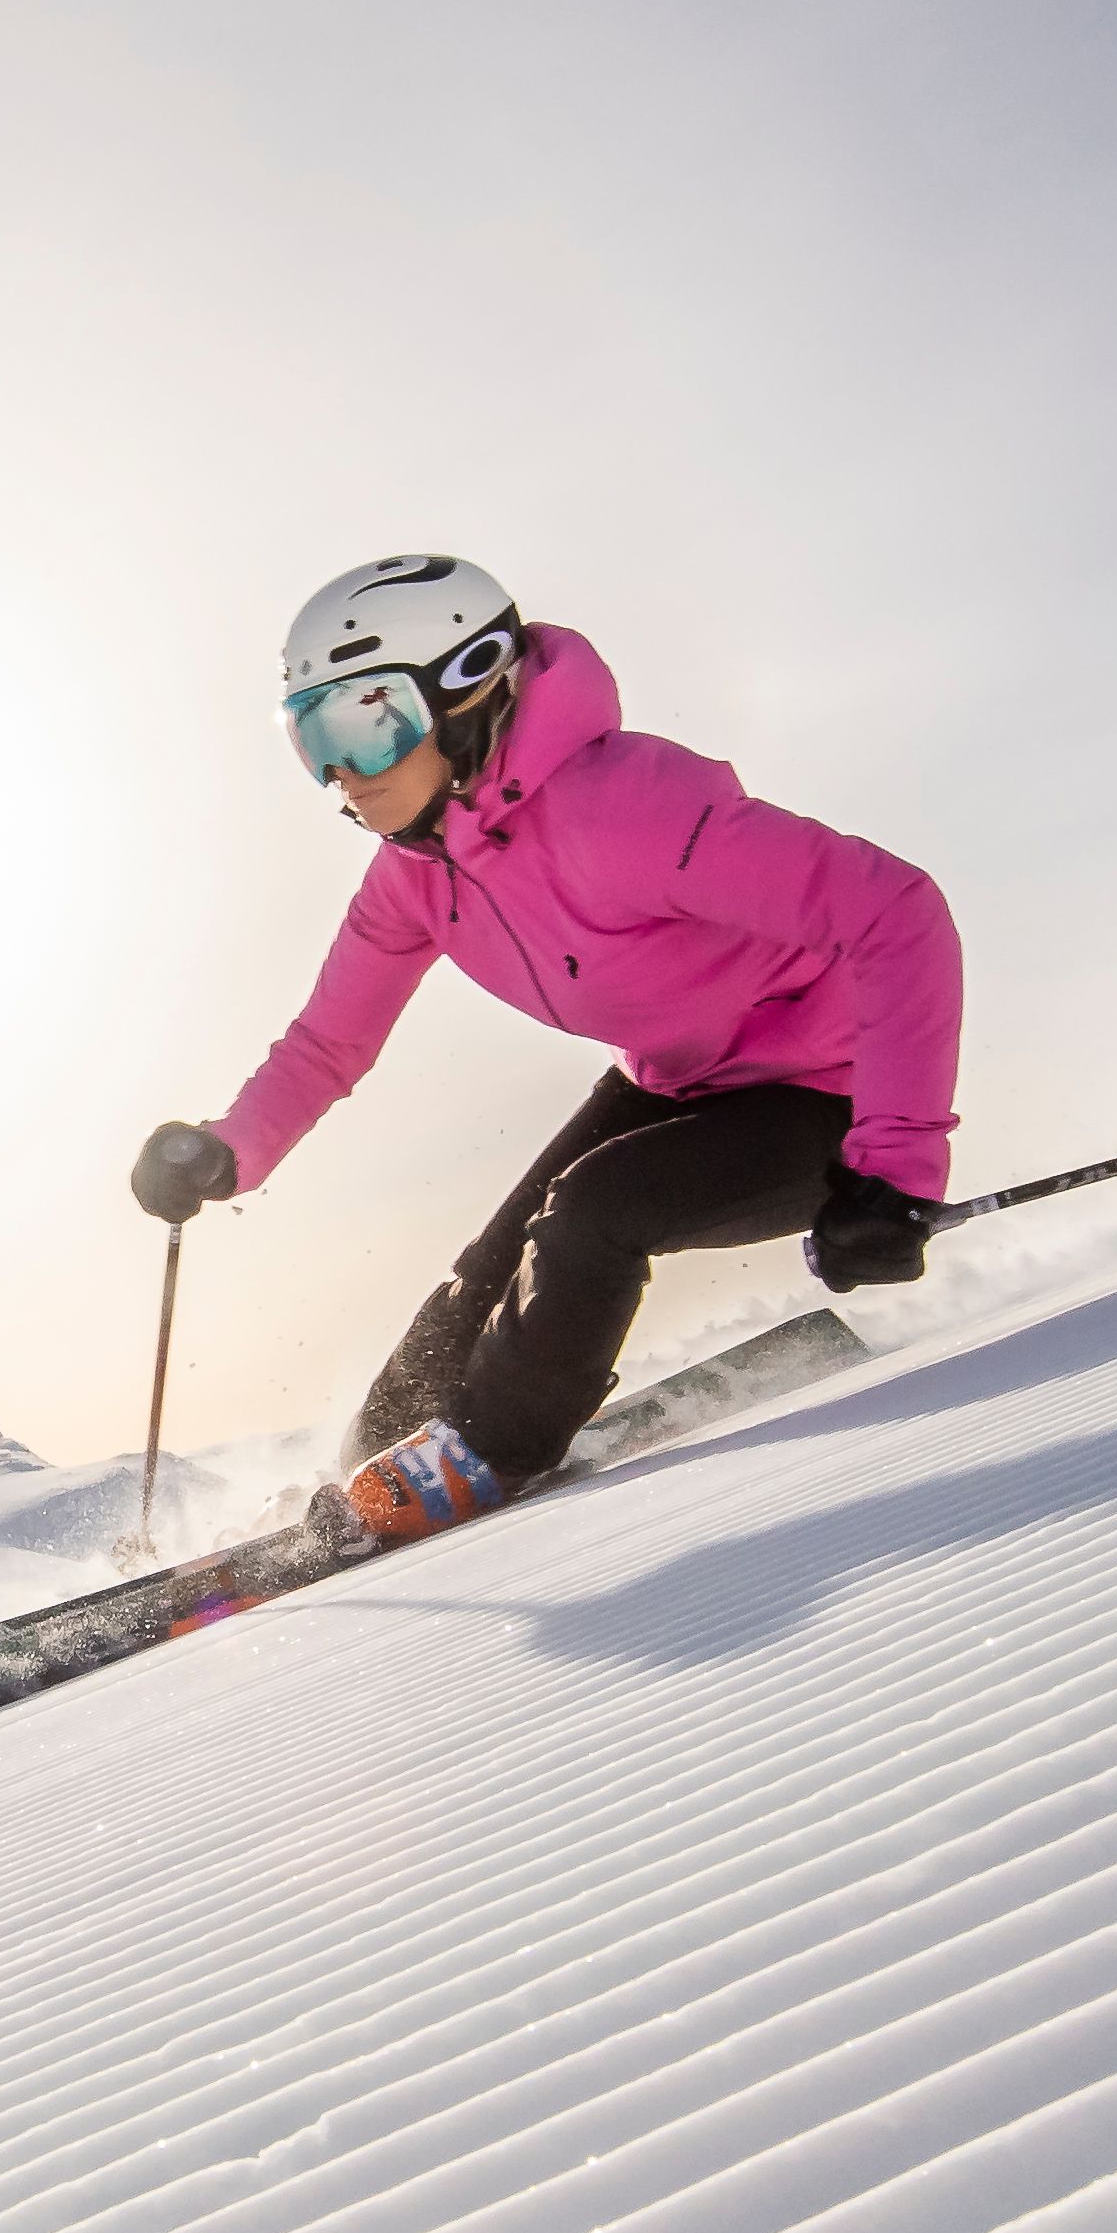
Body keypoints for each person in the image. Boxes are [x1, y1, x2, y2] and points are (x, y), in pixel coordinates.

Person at [134, 553, 961, 1549]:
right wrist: (229, 1149)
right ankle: (370, 1466)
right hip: (675, 1077)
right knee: (484, 1270)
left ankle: (489, 1453)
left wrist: (897, 1168)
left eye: (365, 722)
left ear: (472, 682)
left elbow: (895, 910)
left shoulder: (626, 809)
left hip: (827, 1089)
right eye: (312, 736)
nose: (341, 771)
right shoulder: (417, 874)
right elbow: (326, 1042)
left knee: (593, 1217)